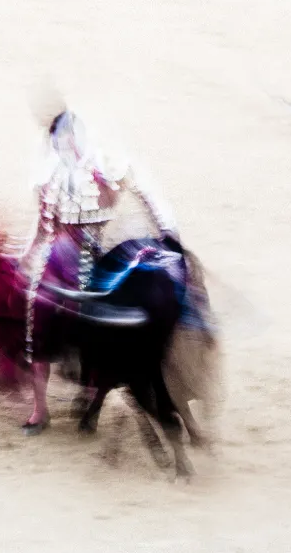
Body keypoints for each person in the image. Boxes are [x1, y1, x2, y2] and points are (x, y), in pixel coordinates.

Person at [17, 108, 178, 434]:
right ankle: (40, 409)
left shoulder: (104, 172)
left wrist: (167, 230)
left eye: (72, 138)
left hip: (94, 256)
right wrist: (25, 259)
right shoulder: (50, 182)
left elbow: (140, 190)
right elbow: (43, 229)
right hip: (57, 260)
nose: (69, 145)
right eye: (62, 141)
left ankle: (93, 396)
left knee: (106, 326)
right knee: (40, 321)